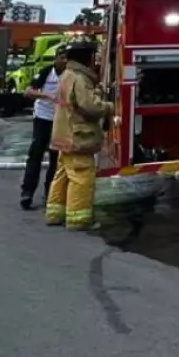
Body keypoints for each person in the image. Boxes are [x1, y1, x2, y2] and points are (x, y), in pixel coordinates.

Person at [45, 39, 114, 230]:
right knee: (81, 177)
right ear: (87, 58)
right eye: (93, 56)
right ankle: (79, 220)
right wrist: (108, 106)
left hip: (64, 134)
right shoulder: (80, 78)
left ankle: (54, 214)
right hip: (77, 136)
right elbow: (90, 106)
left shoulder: (66, 75)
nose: (95, 60)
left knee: (63, 175)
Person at [19, 45, 67, 210]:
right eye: (61, 57)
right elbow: (28, 92)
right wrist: (47, 95)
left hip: (60, 120)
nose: (64, 60)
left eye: (67, 57)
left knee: (56, 157)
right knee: (36, 153)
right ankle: (27, 192)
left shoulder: (71, 75)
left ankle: (50, 194)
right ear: (56, 58)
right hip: (43, 117)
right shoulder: (47, 72)